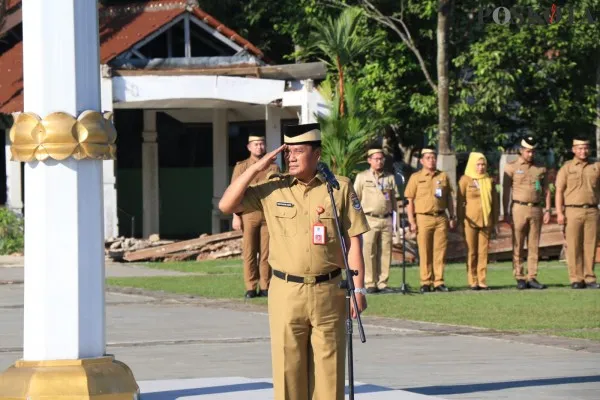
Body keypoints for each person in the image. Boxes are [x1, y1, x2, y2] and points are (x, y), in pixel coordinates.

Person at [218, 123, 369, 400]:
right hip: (287, 292)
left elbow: (354, 241)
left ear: (317, 153)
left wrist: (358, 289)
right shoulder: (273, 188)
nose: (292, 157)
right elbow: (226, 205)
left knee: (330, 373)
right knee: (289, 370)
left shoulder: (339, 188)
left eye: (299, 151)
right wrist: (256, 167)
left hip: (329, 291)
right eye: (289, 152)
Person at [231, 135, 280, 298]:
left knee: (267, 252)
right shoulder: (242, 167)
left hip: (268, 214)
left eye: (262, 144)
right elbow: (234, 192)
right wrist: (235, 216)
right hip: (248, 213)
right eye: (256, 144)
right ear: (249, 147)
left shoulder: (273, 167)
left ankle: (266, 285)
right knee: (249, 252)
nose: (259, 147)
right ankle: (251, 286)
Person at [404, 148, 456, 293]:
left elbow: (449, 198)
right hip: (423, 217)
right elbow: (410, 200)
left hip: (440, 216)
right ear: (421, 161)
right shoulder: (416, 177)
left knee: (440, 251)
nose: (431, 160)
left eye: (433, 157)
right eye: (428, 158)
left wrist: (452, 216)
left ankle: (438, 281)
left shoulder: (443, 176)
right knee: (424, 250)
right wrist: (411, 221)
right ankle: (425, 281)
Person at [503, 136, 551, 290]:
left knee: (534, 244)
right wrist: (506, 211)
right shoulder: (511, 167)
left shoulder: (540, 167)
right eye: (528, 151)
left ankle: (532, 276)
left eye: (533, 152)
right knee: (518, 243)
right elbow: (505, 191)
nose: (531, 154)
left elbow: (547, 190)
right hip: (519, 208)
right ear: (521, 151)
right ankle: (519, 276)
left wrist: (548, 209)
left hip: (536, 208)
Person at [555, 138, 600, 289]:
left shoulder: (596, 166)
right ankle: (576, 278)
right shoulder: (567, 168)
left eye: (586, 148)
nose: (583, 151)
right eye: (580, 148)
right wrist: (559, 213)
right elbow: (559, 191)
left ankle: (589, 278)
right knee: (573, 245)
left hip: (592, 210)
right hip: (572, 210)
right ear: (573, 149)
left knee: (591, 245)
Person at [353, 148, 398, 294]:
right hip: (369, 218)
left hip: (386, 219)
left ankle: (383, 282)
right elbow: (355, 199)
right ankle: (370, 282)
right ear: (369, 160)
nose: (379, 161)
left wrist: (395, 221)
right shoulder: (362, 177)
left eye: (381, 159)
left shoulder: (389, 177)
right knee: (369, 251)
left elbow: (394, 201)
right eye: (376, 159)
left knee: (386, 251)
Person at [457, 152, 499, 290]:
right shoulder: (465, 180)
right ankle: (472, 279)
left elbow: (494, 203)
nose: (481, 167)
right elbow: (460, 202)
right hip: (470, 222)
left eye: (483, 165)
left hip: (486, 221)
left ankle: (482, 279)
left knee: (483, 252)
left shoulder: (489, 180)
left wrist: (495, 220)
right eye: (478, 164)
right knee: (471, 251)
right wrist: (460, 220)